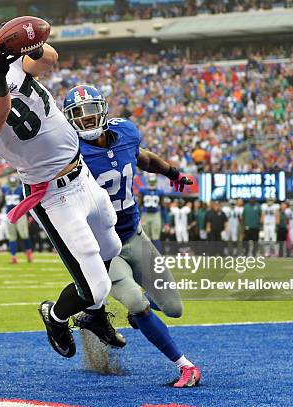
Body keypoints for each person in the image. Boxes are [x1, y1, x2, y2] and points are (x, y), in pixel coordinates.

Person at [0, 30, 124, 357]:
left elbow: (48, 59)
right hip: (53, 195)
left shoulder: (7, 66)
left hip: (82, 174)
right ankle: (57, 316)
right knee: (96, 286)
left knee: (112, 246)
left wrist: (26, 45)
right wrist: (2, 73)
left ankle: (92, 316)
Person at [64, 84, 200, 388]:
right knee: (138, 303)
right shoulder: (68, 150)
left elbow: (143, 158)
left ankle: (139, 318)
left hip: (134, 235)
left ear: (103, 111)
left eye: (90, 114)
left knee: (174, 309)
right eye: (78, 116)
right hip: (103, 249)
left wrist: (172, 173)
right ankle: (185, 365)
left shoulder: (126, 132)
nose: (86, 122)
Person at [0, 175, 33, 264]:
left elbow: (27, 201)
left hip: (20, 214)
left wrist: (29, 215)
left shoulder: (20, 189)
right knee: (12, 237)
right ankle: (13, 257)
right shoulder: (5, 189)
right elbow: (2, 201)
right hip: (9, 215)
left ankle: (29, 252)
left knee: (24, 235)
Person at [139, 174, 164, 252]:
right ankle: (147, 253)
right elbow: (139, 205)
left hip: (155, 214)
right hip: (145, 214)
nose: (152, 183)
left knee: (155, 236)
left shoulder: (159, 192)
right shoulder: (143, 191)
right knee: (147, 236)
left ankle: (157, 254)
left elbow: (162, 206)